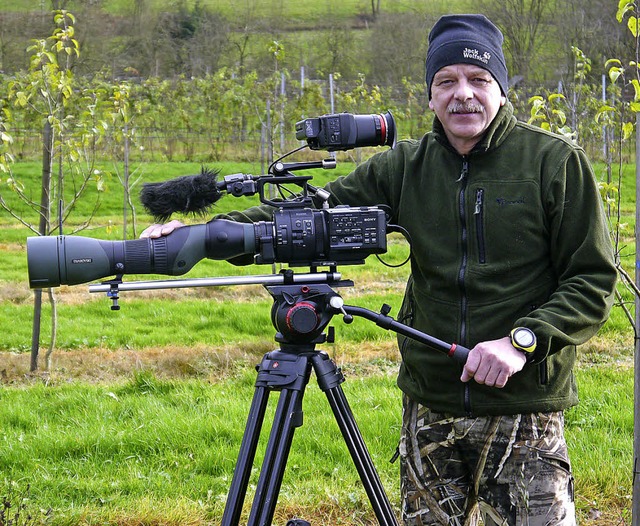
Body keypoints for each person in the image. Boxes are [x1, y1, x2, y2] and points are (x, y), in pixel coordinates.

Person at [141, 14, 617, 526]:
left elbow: (591, 280)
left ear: (501, 89)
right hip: (430, 404)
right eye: (446, 82)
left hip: (524, 408)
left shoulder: (553, 163)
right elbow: (309, 215)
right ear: (429, 96)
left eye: (479, 80)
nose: (464, 95)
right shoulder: (404, 166)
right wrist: (204, 234)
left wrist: (521, 342)